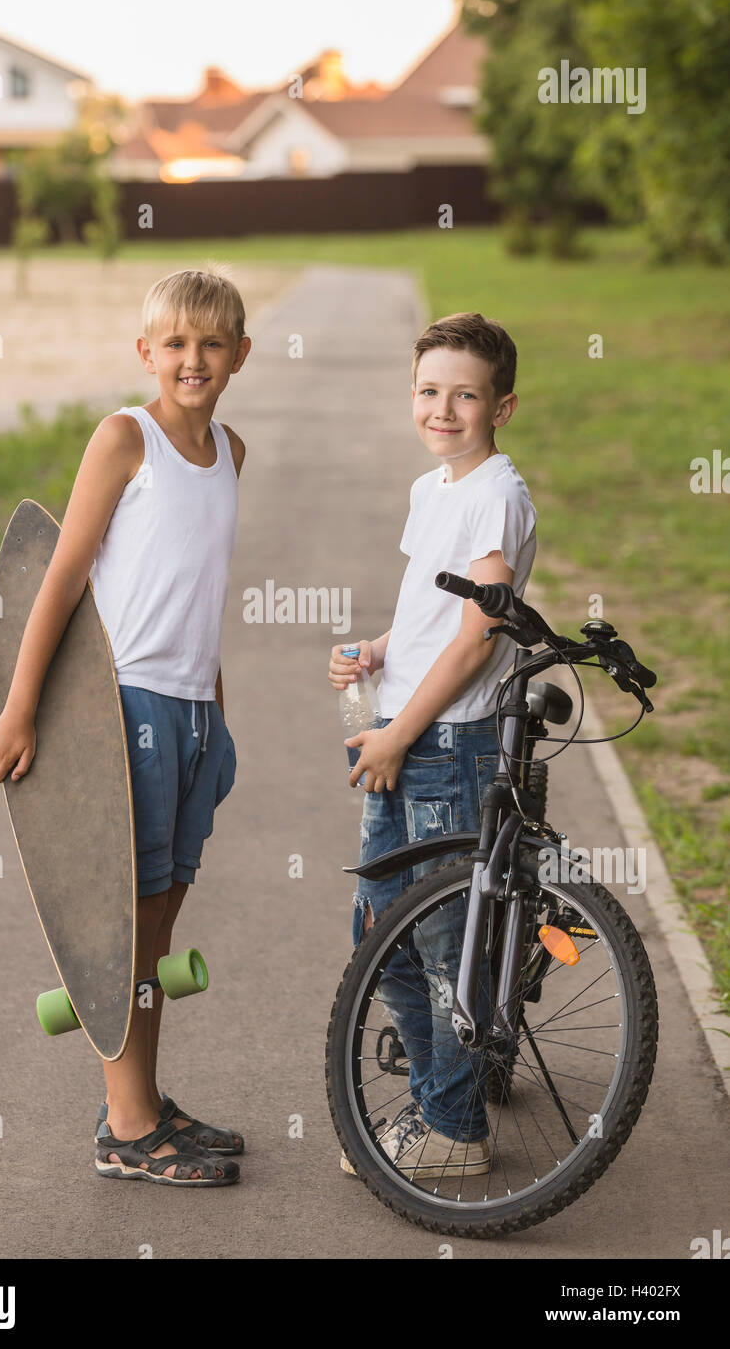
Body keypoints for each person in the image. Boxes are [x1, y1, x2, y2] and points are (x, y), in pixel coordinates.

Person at [0, 265, 249, 1187]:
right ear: (146, 353)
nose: (193, 360)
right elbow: (62, 577)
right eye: (174, 344)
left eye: (211, 344)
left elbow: (200, 594)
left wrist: (217, 720)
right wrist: (21, 706)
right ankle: (129, 1127)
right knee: (121, 929)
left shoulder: (233, 451)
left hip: (191, 715)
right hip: (125, 708)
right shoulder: (124, 438)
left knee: (157, 925)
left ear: (240, 357)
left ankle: (136, 1102)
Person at [328, 311, 537, 1178]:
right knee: (397, 929)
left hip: (440, 748)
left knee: (418, 937)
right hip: (416, 736)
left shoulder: (495, 493)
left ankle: (451, 1128)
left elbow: (479, 637)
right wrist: (381, 650)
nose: (441, 409)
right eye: (427, 391)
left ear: (502, 407)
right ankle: (457, 1080)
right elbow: (436, 615)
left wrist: (395, 736)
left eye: (464, 395)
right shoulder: (438, 488)